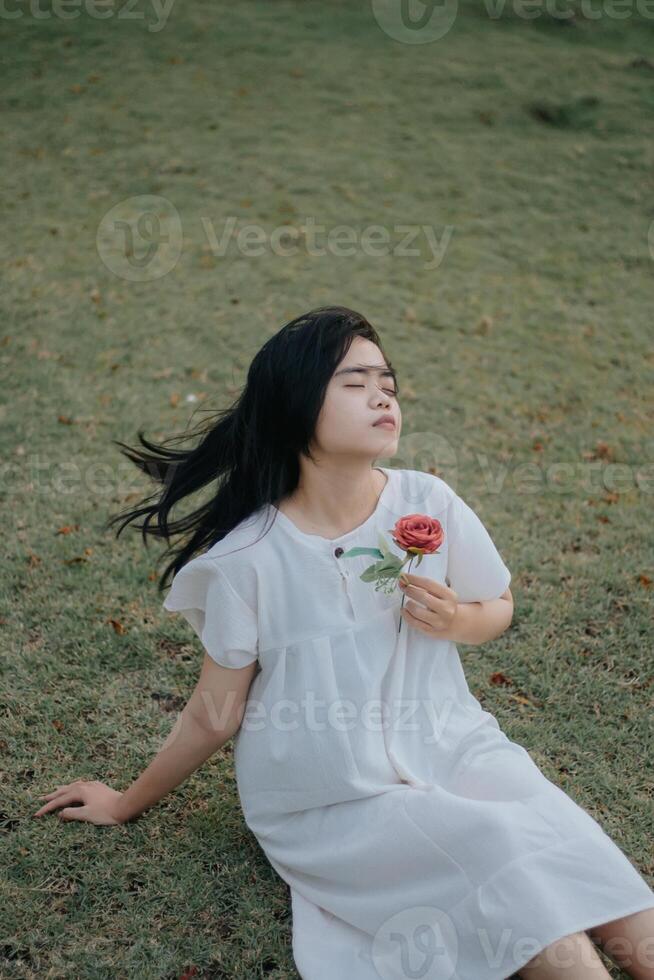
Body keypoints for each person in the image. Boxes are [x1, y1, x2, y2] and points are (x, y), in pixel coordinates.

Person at [33, 307, 654, 979]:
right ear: (295, 407)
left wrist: (456, 622)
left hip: (454, 744)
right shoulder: (250, 559)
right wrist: (124, 803)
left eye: (386, 379)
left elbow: (497, 606)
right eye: (354, 382)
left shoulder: (428, 500)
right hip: (333, 796)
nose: (383, 394)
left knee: (571, 845)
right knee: (500, 849)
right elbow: (216, 713)